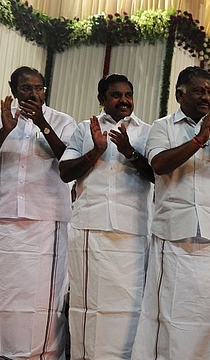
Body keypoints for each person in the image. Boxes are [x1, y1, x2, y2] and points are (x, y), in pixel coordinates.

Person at [130, 66, 210, 360]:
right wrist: (197, 140)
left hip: (209, 235)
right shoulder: (163, 127)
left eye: (209, 91)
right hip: (173, 232)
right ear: (181, 94)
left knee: (204, 311)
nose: (206, 97)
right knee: (169, 309)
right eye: (199, 91)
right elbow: (158, 165)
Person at [0, 66, 76, 359]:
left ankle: (43, 355)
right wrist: (5, 131)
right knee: (5, 292)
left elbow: (70, 163)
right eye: (26, 88)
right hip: (8, 218)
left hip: (47, 221)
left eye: (39, 88)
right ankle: (5, 354)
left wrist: (43, 123)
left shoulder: (63, 120)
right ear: (13, 89)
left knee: (43, 298)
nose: (33, 94)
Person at [59, 74, 154, 359]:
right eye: (116, 95)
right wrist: (95, 152)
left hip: (133, 229)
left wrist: (130, 152)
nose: (124, 100)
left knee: (129, 303)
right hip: (91, 227)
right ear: (102, 99)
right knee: (88, 304)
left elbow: (157, 175)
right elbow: (64, 172)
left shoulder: (148, 132)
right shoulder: (84, 129)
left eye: (128, 94)